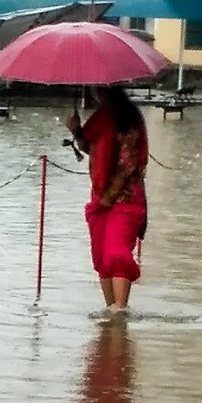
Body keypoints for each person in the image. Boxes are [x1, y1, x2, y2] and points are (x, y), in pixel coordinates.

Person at [65, 87, 149, 318]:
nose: (94, 93)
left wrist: (109, 196)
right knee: (101, 255)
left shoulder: (129, 117)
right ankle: (111, 309)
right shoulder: (102, 116)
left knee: (116, 252)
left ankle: (120, 310)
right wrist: (76, 130)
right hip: (100, 195)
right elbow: (88, 146)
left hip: (126, 197)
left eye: (97, 90)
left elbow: (128, 164)